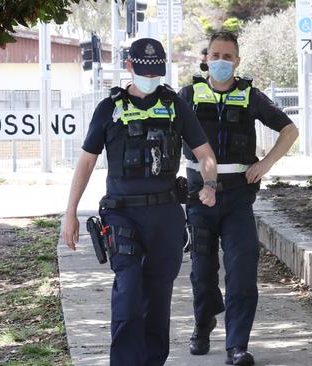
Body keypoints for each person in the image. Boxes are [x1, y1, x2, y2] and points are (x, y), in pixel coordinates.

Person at [62, 38, 217, 366]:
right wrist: (70, 213)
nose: (152, 78)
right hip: (122, 216)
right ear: (130, 67)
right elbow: (87, 162)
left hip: (165, 216)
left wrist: (211, 184)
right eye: (145, 71)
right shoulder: (110, 108)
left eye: (157, 71)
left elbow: (205, 154)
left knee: (158, 301)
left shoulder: (175, 105)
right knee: (129, 296)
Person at [178, 31, 299, 366]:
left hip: (237, 197)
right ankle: (203, 325)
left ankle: (237, 346)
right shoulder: (188, 94)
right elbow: (169, 133)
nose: (221, 62)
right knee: (202, 271)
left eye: (228, 56)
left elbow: (289, 130)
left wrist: (266, 163)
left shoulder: (250, 96)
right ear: (206, 59)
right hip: (199, 194)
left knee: (242, 271)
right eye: (215, 55)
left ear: (237, 61)